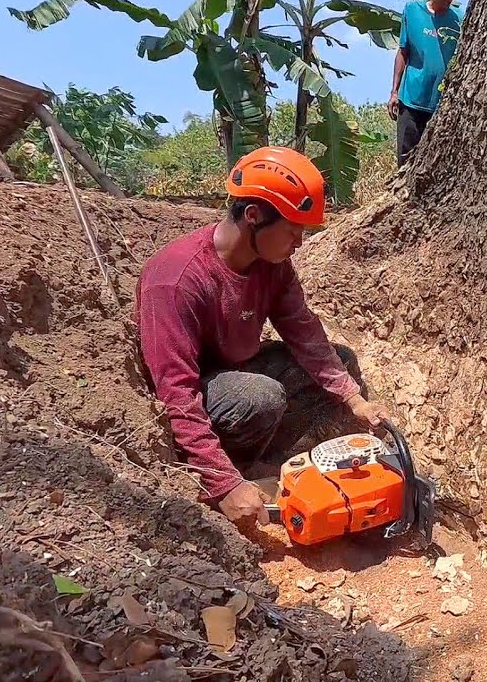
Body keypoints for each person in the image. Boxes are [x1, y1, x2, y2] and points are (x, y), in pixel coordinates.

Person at [135, 146, 390, 526]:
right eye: (293, 230)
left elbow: (303, 330)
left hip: (239, 368)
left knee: (342, 362)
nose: (299, 242)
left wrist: (353, 398)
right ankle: (238, 471)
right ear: (253, 216)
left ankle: (277, 461)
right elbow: (176, 390)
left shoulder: (273, 266)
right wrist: (222, 483)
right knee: (261, 397)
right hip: (200, 390)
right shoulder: (176, 280)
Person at [388, 0, 463, 165]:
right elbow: (403, 51)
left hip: (442, 107)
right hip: (411, 103)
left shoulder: (460, 21)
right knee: (405, 166)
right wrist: (394, 92)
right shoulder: (412, 11)